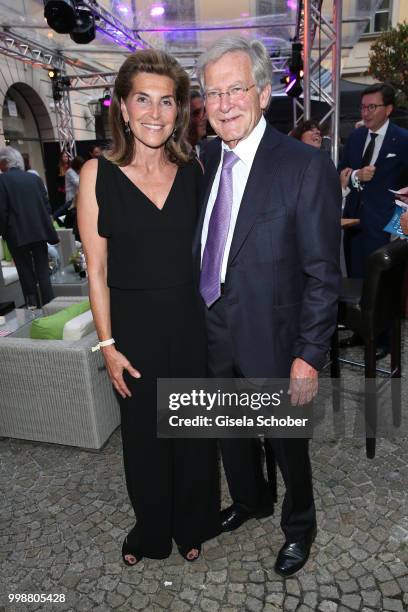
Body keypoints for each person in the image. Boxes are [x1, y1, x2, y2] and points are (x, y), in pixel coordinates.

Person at [194, 37, 341, 576]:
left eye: (236, 89)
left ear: (262, 93)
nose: (225, 103)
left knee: (286, 442)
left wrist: (309, 355)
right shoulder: (205, 159)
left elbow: (325, 274)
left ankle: (299, 523)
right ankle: (252, 500)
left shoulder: (303, 166)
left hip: (276, 339)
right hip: (213, 326)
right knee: (230, 431)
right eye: (213, 93)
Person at [77, 49, 220, 565]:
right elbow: (95, 269)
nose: (155, 114)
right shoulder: (97, 174)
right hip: (132, 331)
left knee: (192, 436)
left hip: (189, 325)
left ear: (179, 111)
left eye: (167, 102)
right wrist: (108, 345)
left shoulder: (195, 171)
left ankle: (193, 523)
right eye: (143, 99)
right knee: (144, 441)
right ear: (122, 105)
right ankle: (150, 532)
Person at [339, 83, 408, 357]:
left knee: (383, 285)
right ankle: (360, 332)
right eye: (363, 107)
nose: (366, 112)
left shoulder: (402, 139)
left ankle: (383, 341)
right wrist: (356, 176)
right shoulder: (355, 138)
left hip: (386, 224)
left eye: (372, 107)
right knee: (358, 279)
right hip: (355, 221)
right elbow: (341, 172)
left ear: (388, 109)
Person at [0, 147, 58, 307]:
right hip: (39, 232)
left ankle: (33, 310)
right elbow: (46, 207)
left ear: (5, 162)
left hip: (17, 235)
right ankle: (49, 307)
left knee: (26, 274)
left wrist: (4, 233)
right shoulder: (34, 179)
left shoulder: (2, 180)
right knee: (43, 273)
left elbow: (2, 212)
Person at [188, 91, 209, 163]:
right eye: (196, 113)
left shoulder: (209, 148)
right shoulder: (174, 154)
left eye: (205, 111)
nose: (204, 117)